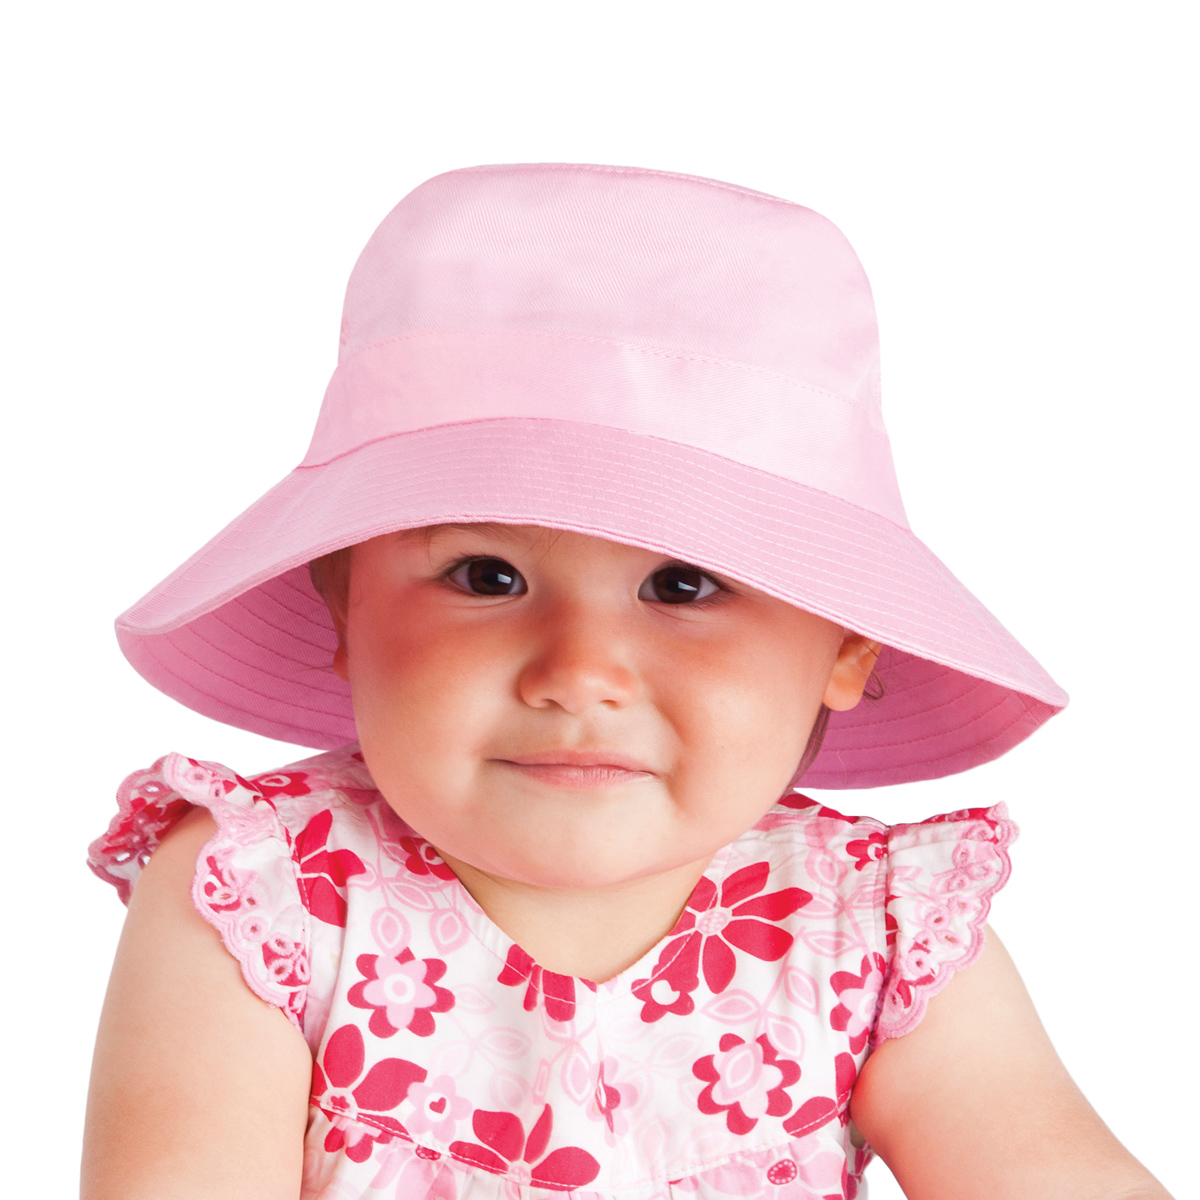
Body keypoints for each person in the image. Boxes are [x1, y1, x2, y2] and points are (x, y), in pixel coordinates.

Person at [81, 164, 1171, 1200]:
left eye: (683, 585)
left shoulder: (873, 933)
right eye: (487, 575)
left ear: (849, 645)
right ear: (346, 611)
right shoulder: (264, 890)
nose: (579, 674)